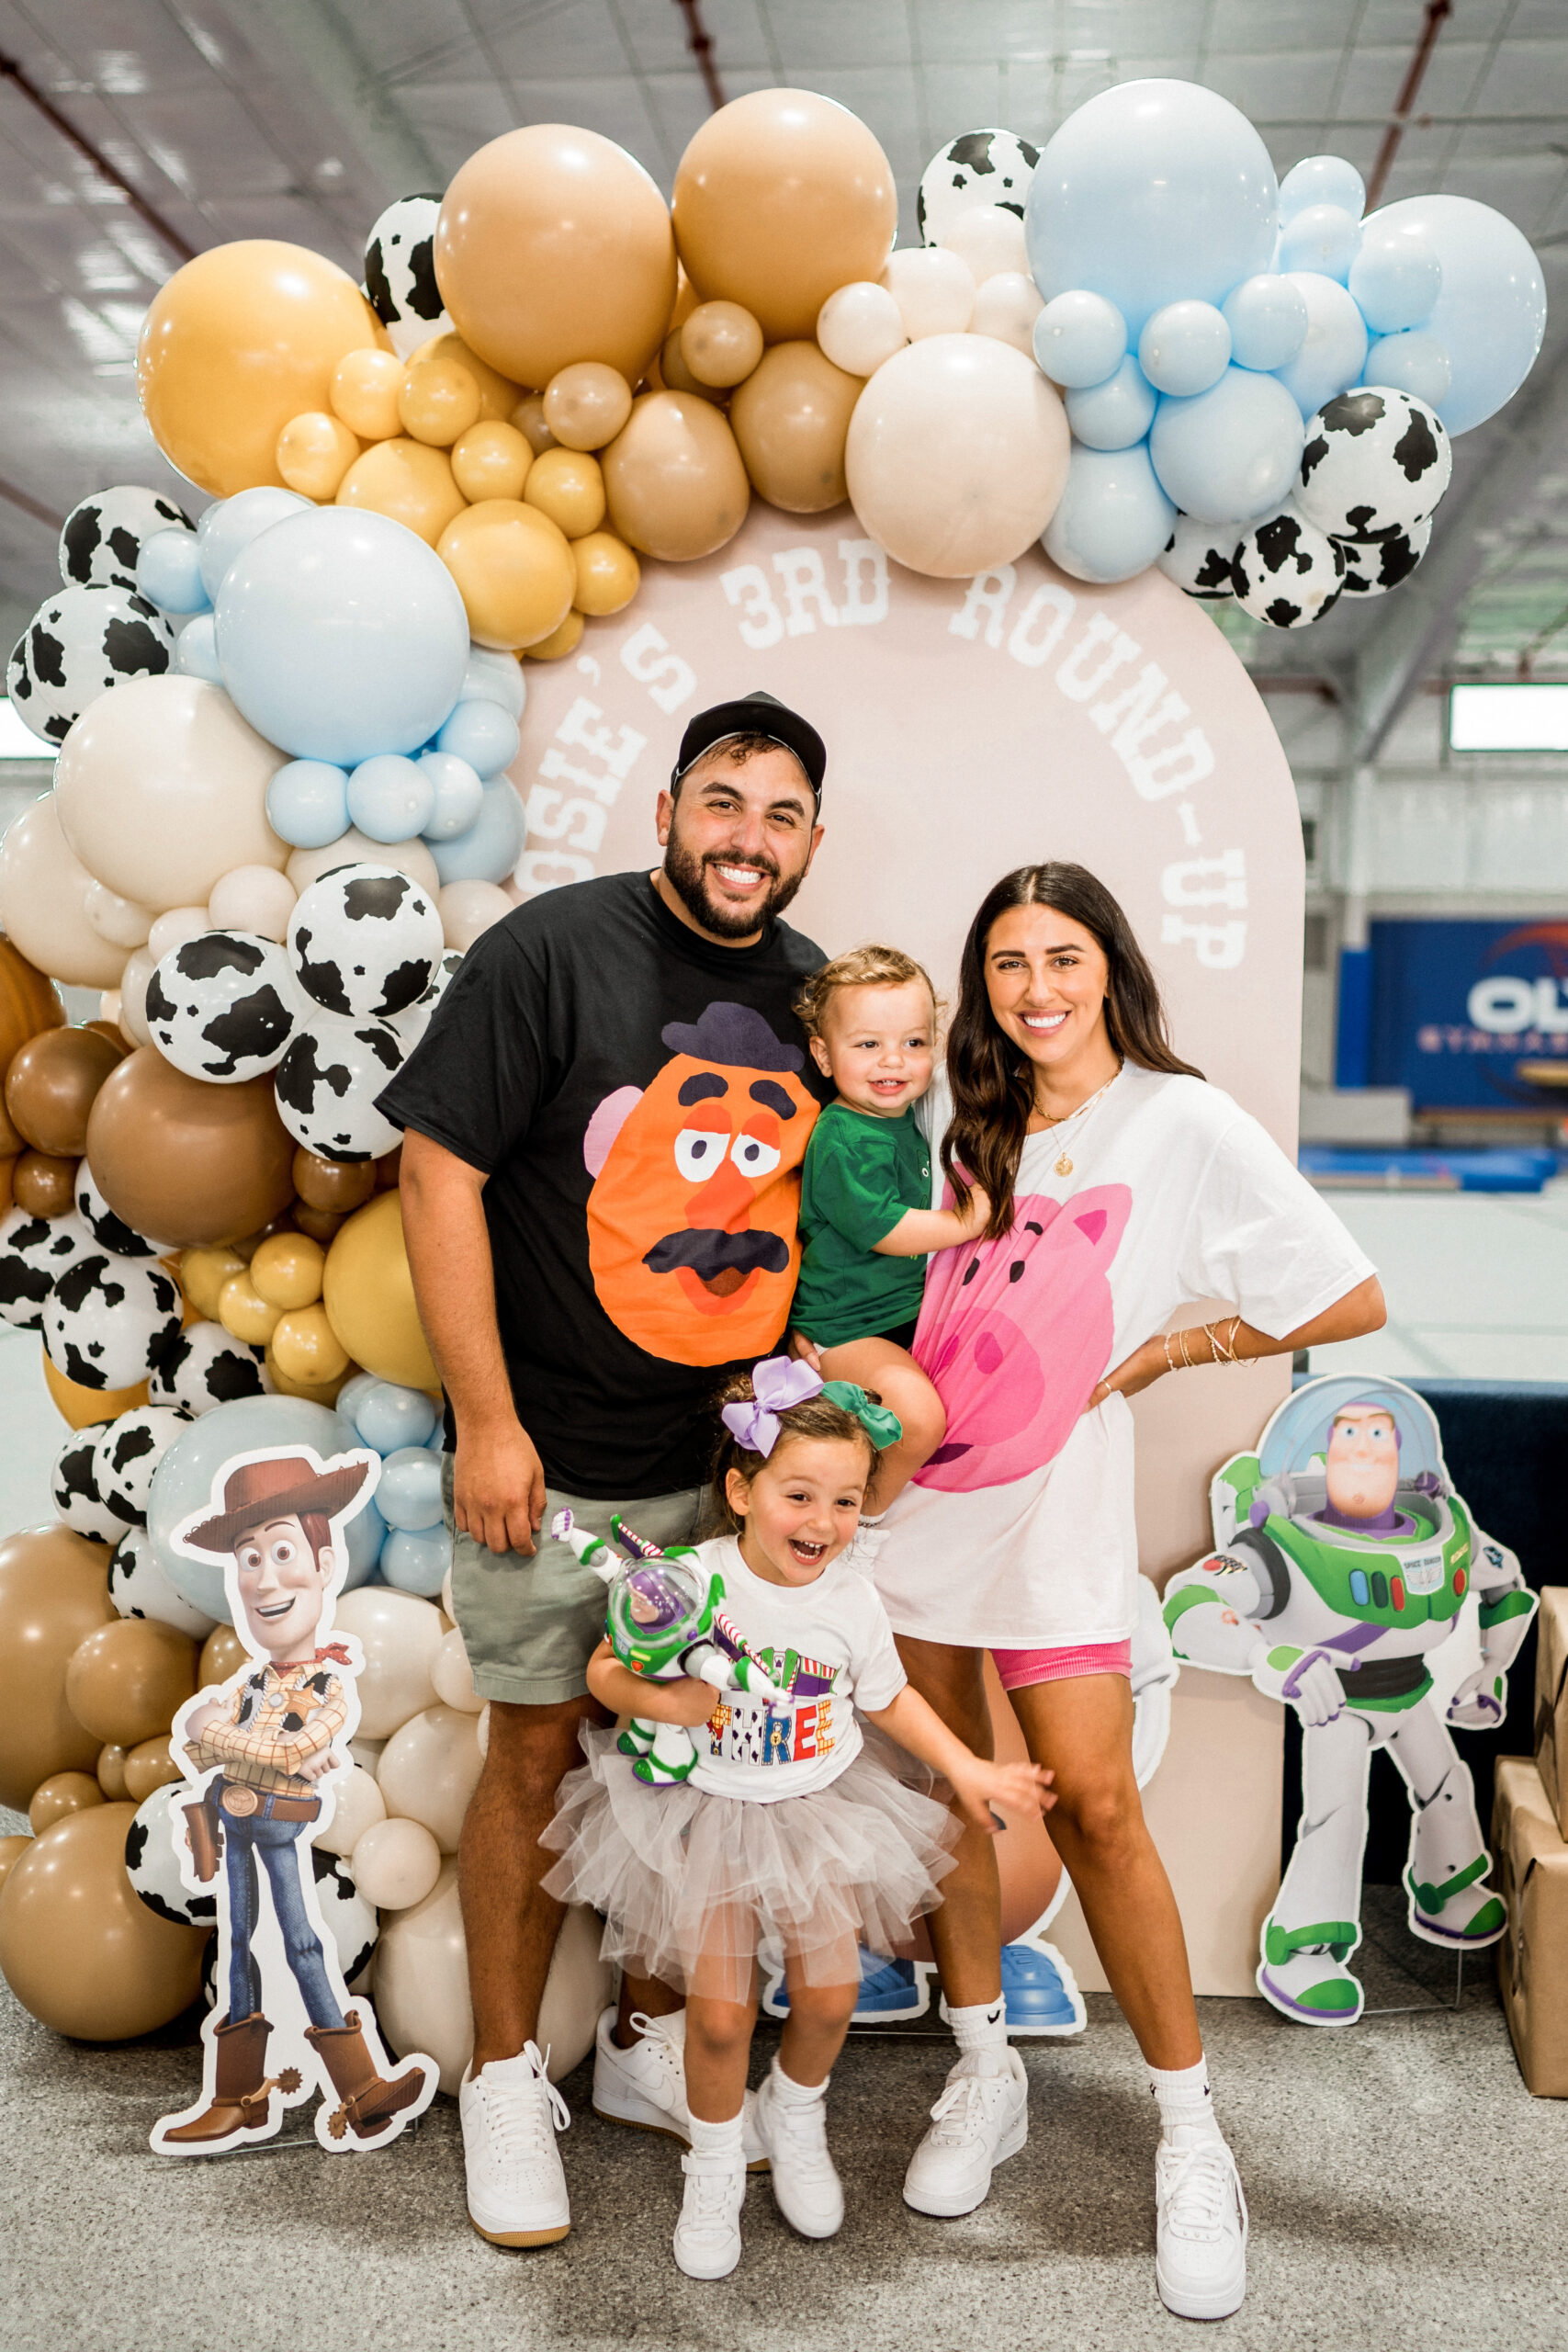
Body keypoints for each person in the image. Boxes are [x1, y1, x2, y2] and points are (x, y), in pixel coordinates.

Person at [868, 863, 1387, 2324]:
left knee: (1092, 1804)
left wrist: (1168, 1354)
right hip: (921, 1515)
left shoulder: (1180, 1118)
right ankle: (982, 2074)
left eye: (1062, 958)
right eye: (1008, 965)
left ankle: (1188, 2134)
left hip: (1058, 1516)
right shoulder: (960, 1119)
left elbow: (1346, 1295)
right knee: (947, 1798)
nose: (1034, 991)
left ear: (1109, 967)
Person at [378, 689, 833, 2247]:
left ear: (811, 842)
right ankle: (509, 2084)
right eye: (723, 800)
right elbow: (433, 1167)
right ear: (666, 812)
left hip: (724, 1474)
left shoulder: (814, 994)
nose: (745, 836)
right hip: (550, 1456)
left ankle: (645, 2043)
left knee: (691, 1765)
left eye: (779, 814)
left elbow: (833, 1209)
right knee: (531, 1756)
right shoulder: (548, 952)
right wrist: (486, 1417)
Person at [539, 1362, 1055, 2280]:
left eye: (847, 1501)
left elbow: (890, 1700)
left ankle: (795, 2109)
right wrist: (665, 1703)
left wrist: (969, 1766)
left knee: (828, 1994)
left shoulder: (851, 1601)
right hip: (709, 1815)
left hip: (816, 1809)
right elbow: (607, 1671)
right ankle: (711, 2166)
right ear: (742, 1490)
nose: (821, 1522)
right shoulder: (693, 1580)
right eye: (799, 1494)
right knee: (723, 2014)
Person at [157, 1450, 432, 2153]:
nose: (265, 1578)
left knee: (304, 1941)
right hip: (235, 1821)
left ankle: (363, 2090)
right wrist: (216, 1736)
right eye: (248, 1559)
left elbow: (282, 1753)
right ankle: (236, 2097)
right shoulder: (251, 1684)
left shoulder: (330, 1683)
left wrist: (215, 1732)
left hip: (279, 1822)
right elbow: (214, 1752)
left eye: (282, 1552)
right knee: (236, 1944)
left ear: (324, 1567)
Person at [790, 944, 991, 1510]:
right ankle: (866, 1518)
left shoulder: (908, 1117)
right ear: (825, 1057)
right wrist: (966, 1221)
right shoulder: (845, 1135)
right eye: (868, 1045)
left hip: (898, 1320)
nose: (893, 1062)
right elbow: (885, 1229)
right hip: (846, 1327)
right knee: (920, 1421)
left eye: (914, 1043)